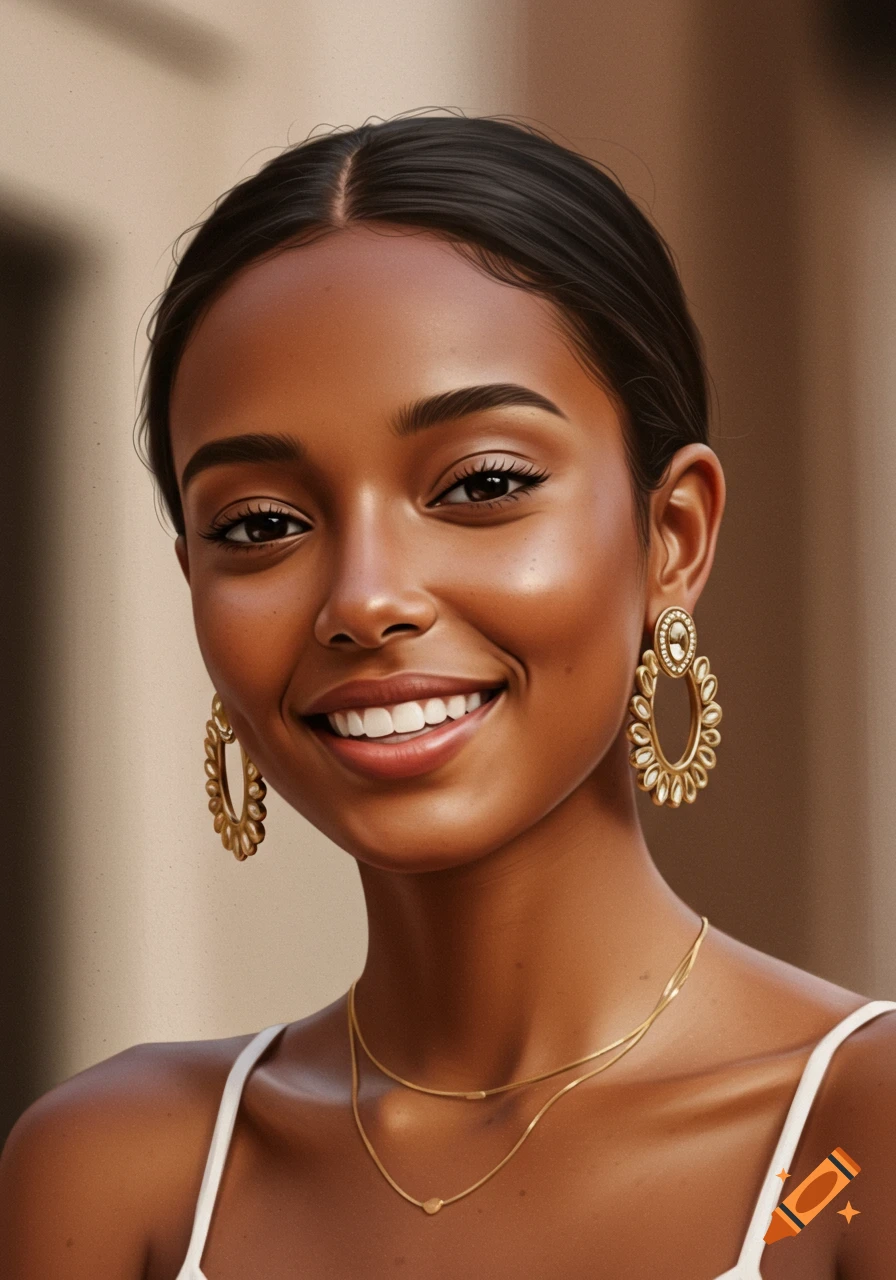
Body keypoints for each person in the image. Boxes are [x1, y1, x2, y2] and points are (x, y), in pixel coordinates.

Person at [1, 112, 894, 1279]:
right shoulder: (119, 1168)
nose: (363, 599)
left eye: (480, 484)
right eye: (261, 524)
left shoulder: (849, 1147)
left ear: (670, 535)